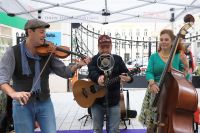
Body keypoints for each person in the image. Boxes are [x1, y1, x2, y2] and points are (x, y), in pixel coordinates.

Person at [0, 19, 91, 133]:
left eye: (45, 32)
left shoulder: (48, 52)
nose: (45, 35)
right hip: (22, 105)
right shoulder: (12, 52)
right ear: (30, 32)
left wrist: (78, 65)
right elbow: (2, 79)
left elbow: (65, 72)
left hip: (44, 102)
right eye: (41, 32)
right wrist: (13, 93)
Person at [138, 29, 189, 133]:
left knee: (168, 120)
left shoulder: (178, 56)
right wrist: (152, 83)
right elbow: (149, 72)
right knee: (152, 124)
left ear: (172, 42)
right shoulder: (154, 57)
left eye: (166, 39)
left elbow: (183, 77)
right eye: (161, 39)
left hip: (172, 93)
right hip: (154, 92)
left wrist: (186, 66)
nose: (163, 42)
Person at [87, 34, 133, 133]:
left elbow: (127, 74)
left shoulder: (117, 59)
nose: (105, 49)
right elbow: (91, 72)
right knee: (97, 129)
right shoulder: (94, 59)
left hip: (114, 102)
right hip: (96, 101)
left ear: (111, 46)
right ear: (98, 47)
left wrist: (128, 78)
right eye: (102, 47)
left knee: (114, 130)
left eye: (107, 47)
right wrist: (98, 78)